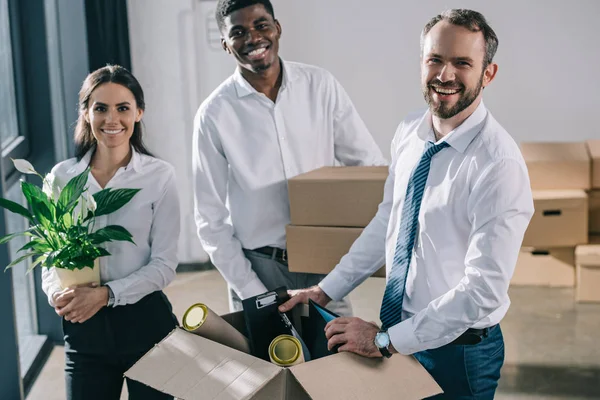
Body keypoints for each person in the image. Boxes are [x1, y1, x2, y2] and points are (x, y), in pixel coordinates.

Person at [279, 9, 534, 399]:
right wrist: (326, 290)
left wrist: (385, 341)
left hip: (457, 352)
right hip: (400, 335)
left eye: (462, 63)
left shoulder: (498, 165)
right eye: (435, 59)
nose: (445, 75)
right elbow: (388, 220)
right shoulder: (409, 133)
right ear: (422, 63)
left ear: (488, 74)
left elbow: (482, 290)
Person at [192, 0, 387, 315]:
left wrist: (347, 266)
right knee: (271, 364)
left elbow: (368, 167)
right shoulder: (214, 114)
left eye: (261, 25)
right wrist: (253, 292)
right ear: (225, 44)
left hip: (323, 264)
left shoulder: (319, 85)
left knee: (335, 359)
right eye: (239, 32)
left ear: (277, 28)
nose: (253, 38)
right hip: (258, 268)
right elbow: (209, 219)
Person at [41, 65, 180, 400]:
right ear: (86, 113)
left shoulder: (159, 176)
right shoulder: (61, 178)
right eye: (100, 108)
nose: (111, 119)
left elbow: (164, 265)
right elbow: (47, 255)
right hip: (85, 331)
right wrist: (55, 291)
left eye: (123, 108)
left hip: (147, 327)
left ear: (139, 113)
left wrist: (106, 295)